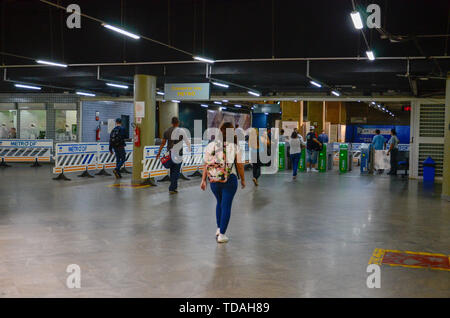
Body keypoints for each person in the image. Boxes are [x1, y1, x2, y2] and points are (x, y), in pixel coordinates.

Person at [201, 122, 246, 243]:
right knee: (226, 205)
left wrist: (203, 180)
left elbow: (205, 164)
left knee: (219, 203)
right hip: (229, 179)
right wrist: (243, 179)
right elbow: (240, 166)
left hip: (214, 180)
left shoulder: (211, 146)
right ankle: (222, 235)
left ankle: (218, 228)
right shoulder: (235, 147)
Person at [156, 117, 190, 194]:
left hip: (170, 153)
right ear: (178, 123)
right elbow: (187, 141)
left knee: (172, 170)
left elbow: (163, 143)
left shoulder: (167, 131)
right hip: (178, 154)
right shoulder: (182, 131)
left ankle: (173, 187)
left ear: (172, 123)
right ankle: (172, 188)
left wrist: (159, 152)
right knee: (176, 171)